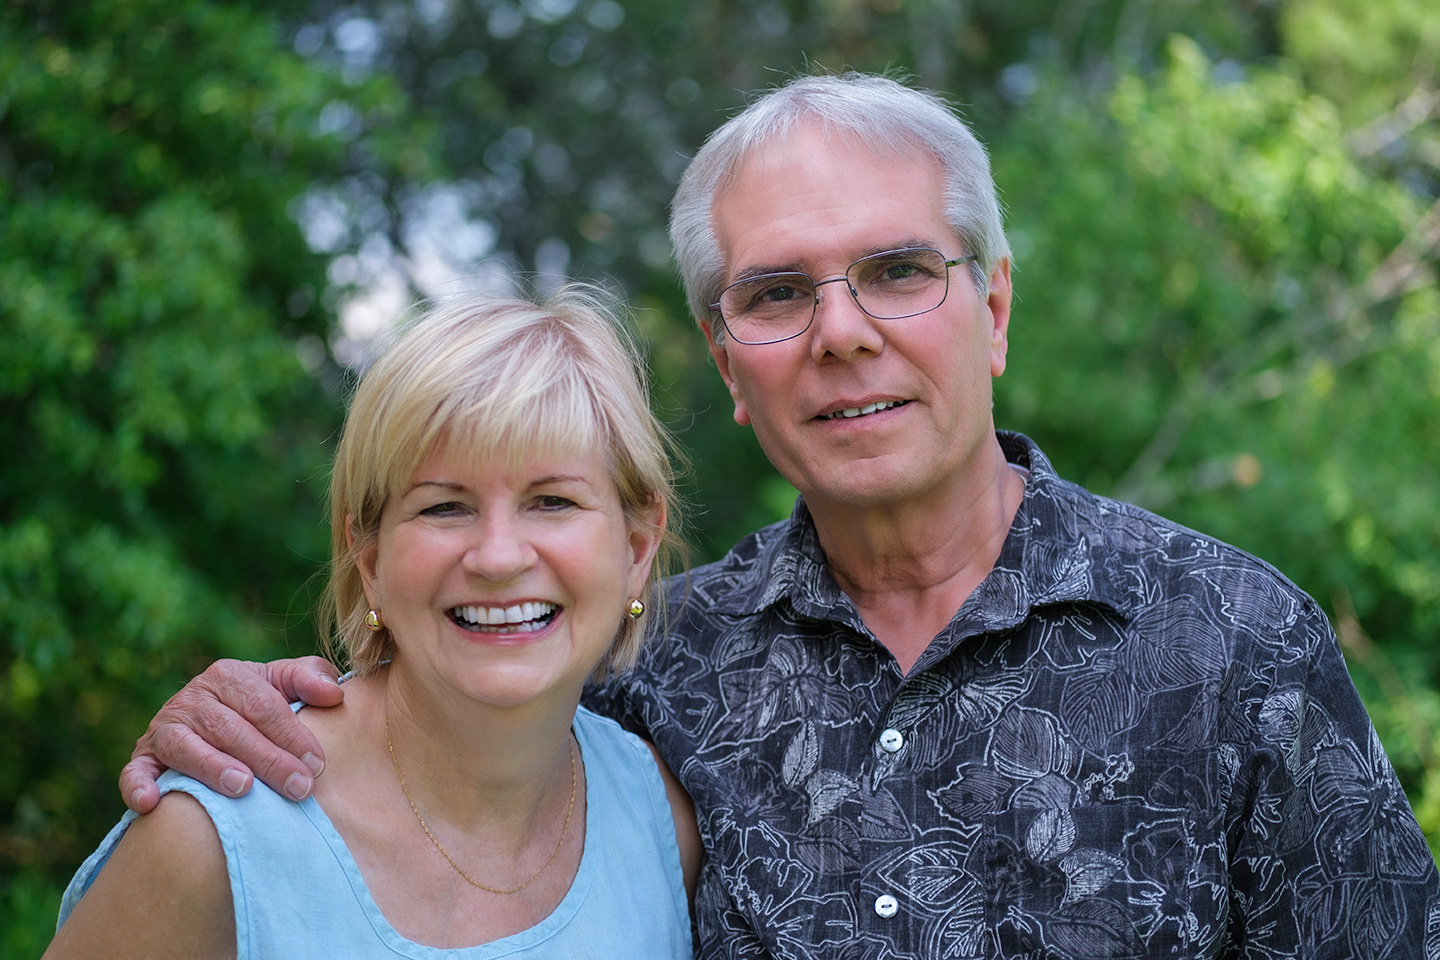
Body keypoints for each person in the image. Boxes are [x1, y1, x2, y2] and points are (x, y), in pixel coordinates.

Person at [117, 73, 1439, 958]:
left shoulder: (1234, 644)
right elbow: (437, 725)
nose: (842, 334)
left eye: (897, 272)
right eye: (778, 294)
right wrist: (238, 716)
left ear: (992, 309)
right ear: (728, 362)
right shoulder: (648, 674)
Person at [48, 289, 701, 958]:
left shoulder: (665, 827)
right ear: (370, 557)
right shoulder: (213, 838)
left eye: (553, 501)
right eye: (444, 508)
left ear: (637, 546)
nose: (499, 557)